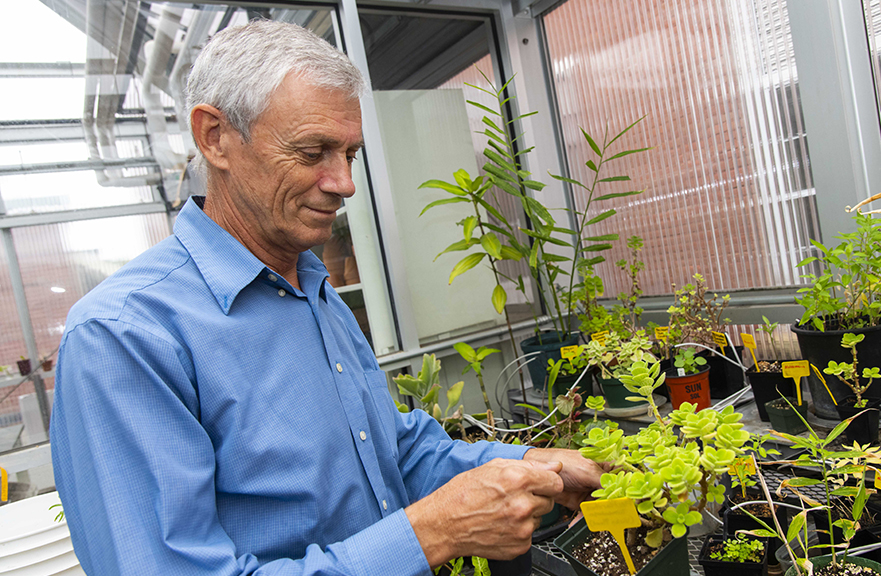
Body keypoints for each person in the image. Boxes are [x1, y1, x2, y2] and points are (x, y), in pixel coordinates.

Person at [50, 19, 603, 576]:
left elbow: (394, 451)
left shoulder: (312, 289)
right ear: (215, 136)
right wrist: (434, 532)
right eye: (313, 151)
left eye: (350, 154)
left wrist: (537, 463)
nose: (344, 183)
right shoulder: (126, 336)